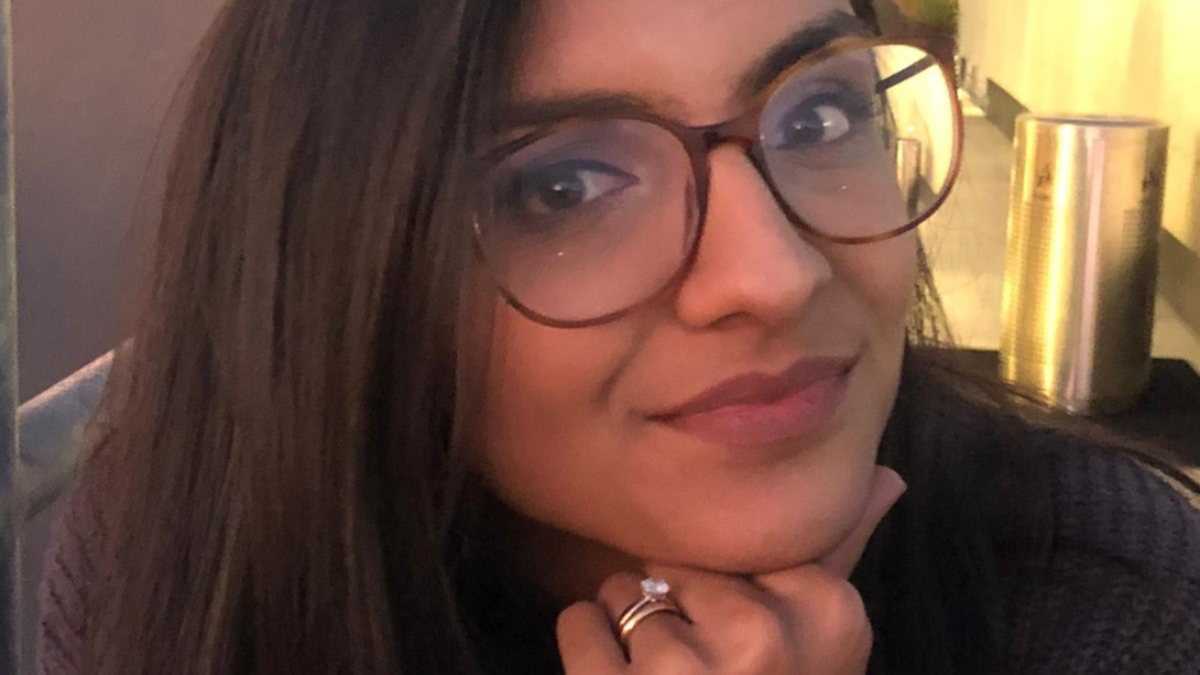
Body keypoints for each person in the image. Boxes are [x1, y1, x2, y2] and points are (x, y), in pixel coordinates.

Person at [35, 0, 1200, 673]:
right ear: (339, 269)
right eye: (564, 186)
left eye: (820, 116)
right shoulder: (184, 562)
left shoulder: (1097, 596)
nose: (774, 275)